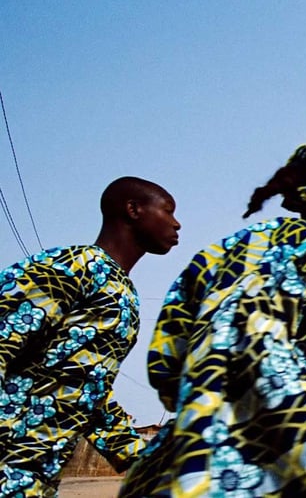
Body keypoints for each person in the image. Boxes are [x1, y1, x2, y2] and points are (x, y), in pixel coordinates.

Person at [118, 139, 306, 498]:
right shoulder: (301, 243)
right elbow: (254, 343)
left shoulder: (238, 249)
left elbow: (167, 364)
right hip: (230, 482)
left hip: (189, 466)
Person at [0, 177, 181, 496]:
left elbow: (89, 388)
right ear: (133, 209)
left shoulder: (123, 294)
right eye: (168, 210)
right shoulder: (76, 266)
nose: (176, 223)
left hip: (36, 475)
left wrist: (143, 462)